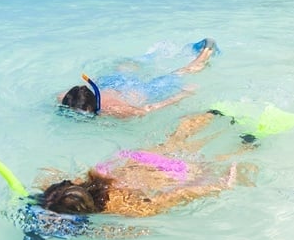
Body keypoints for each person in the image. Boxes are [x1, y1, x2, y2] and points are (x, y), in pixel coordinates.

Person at [34, 111, 257, 217]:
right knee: (174, 140)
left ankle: (248, 145)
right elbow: (47, 176)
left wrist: (221, 185)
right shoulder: (82, 180)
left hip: (173, 173)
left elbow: (172, 196)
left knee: (214, 162)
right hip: (137, 158)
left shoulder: (117, 207)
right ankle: (211, 114)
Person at [59, 38, 219, 118]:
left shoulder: (115, 109)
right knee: (128, 65)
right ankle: (152, 55)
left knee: (180, 73)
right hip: (112, 81)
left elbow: (146, 110)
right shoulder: (64, 97)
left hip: (139, 89)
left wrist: (182, 94)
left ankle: (206, 52)